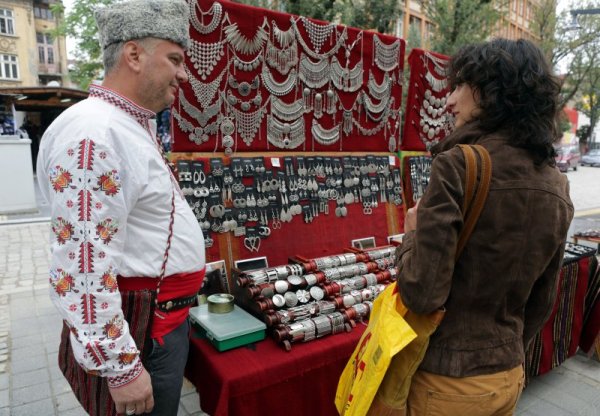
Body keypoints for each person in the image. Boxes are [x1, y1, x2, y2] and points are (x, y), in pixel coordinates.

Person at [37, 1, 206, 415]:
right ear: (133, 55)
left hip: (157, 325)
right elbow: (82, 264)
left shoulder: (125, 124)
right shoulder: (94, 134)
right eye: (174, 59)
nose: (183, 73)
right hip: (141, 332)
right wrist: (121, 368)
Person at [394, 38, 574, 415]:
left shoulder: (459, 164)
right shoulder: (556, 183)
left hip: (447, 382)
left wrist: (412, 233)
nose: (449, 100)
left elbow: (423, 294)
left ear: (493, 93)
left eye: (460, 86)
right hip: (507, 375)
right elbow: (543, 300)